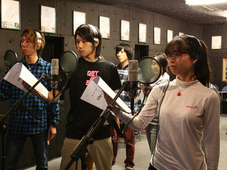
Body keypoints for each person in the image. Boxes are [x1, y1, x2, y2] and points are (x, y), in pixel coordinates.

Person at [107, 35, 220, 170]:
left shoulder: (208, 97)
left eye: (177, 54)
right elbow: (139, 124)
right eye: (169, 55)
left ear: (194, 58)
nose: (171, 59)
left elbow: (212, 143)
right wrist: (115, 109)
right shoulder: (160, 90)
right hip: (157, 165)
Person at [59, 24, 121, 170]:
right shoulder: (71, 66)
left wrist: (116, 125)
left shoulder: (109, 67)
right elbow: (54, 96)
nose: (79, 45)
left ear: (96, 42)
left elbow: (113, 101)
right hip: (75, 132)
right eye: (77, 41)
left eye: (84, 41)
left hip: (101, 132)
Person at [0, 28, 59, 170]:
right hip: (17, 123)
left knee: (42, 164)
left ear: (38, 44)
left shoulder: (47, 68)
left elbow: (53, 99)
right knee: (9, 164)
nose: (23, 45)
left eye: (28, 41)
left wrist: (54, 123)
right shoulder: (14, 68)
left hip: (39, 124)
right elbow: (3, 93)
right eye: (22, 41)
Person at [111, 42, 141, 170]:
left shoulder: (135, 70)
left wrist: (136, 111)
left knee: (129, 139)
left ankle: (129, 163)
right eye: (118, 52)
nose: (119, 54)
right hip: (116, 108)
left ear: (128, 53)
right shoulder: (114, 69)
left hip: (129, 108)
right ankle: (111, 159)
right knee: (114, 137)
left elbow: (139, 92)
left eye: (122, 52)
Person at [143, 53, 170, 155]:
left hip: (157, 122)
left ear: (163, 66)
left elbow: (158, 98)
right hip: (149, 120)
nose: (154, 66)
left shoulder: (165, 80)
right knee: (152, 151)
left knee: (156, 154)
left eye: (156, 64)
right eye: (153, 64)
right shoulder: (152, 79)